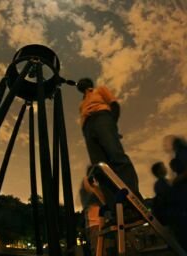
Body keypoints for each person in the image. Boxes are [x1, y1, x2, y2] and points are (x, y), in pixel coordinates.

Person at [77, 78, 142, 210]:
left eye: (83, 81)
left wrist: (112, 125)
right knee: (101, 168)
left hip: (102, 118)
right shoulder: (81, 104)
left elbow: (114, 105)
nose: (81, 83)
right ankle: (115, 208)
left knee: (116, 156)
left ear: (89, 83)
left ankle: (133, 201)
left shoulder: (100, 90)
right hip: (87, 128)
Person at [79, 166, 106, 256]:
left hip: (98, 224)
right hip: (94, 225)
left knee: (101, 250)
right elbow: (88, 186)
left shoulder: (94, 189)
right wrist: (88, 176)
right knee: (98, 250)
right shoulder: (87, 190)